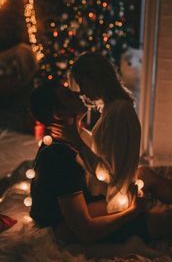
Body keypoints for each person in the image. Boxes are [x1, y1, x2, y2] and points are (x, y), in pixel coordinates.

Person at [29, 80, 172, 245]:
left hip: (88, 203)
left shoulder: (77, 137)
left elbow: (104, 170)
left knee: (144, 174)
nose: (78, 93)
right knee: (161, 219)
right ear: (59, 114)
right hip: (68, 227)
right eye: (69, 95)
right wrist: (132, 212)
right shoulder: (59, 157)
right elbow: (85, 231)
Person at [50, 51, 172, 214]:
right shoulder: (112, 108)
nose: (82, 92)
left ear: (95, 78)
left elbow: (107, 172)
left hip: (114, 201)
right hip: (112, 194)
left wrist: (78, 143)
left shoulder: (118, 112)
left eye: (82, 84)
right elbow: (102, 147)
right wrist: (78, 131)